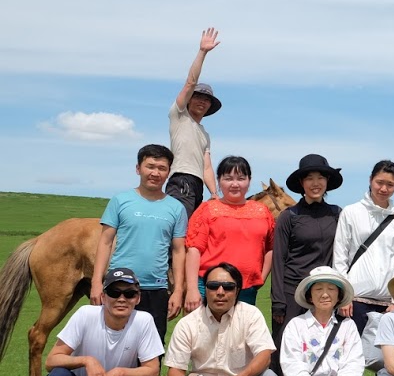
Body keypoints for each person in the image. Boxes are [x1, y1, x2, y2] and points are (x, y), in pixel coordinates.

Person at [156, 262, 278, 376]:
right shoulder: (188, 323)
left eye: (228, 287)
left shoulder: (251, 315)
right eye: (213, 286)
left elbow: (265, 356)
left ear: (237, 291)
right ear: (205, 289)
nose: (220, 292)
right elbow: (175, 370)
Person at [43, 266, 162, 376]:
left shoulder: (143, 320)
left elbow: (152, 371)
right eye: (114, 292)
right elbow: (51, 360)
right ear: (103, 296)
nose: (121, 299)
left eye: (129, 294)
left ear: (137, 298)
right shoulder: (85, 315)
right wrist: (87, 361)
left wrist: (119, 372)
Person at [90, 144, 188, 343]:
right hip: (119, 286)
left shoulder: (176, 208)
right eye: (150, 166)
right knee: (111, 342)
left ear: (169, 172)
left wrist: (178, 290)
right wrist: (96, 282)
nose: (155, 173)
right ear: (138, 168)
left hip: (157, 289)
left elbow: (179, 251)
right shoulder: (120, 200)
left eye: (162, 168)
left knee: (152, 346)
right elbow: (105, 242)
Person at [278, 266, 365, 376]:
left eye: (331, 289)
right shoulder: (296, 325)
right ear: (310, 295)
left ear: (339, 295)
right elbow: (291, 364)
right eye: (318, 289)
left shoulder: (348, 325)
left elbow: (354, 360)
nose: (325, 294)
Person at [271, 154, 343, 348]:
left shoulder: (337, 214)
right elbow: (278, 259)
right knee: (285, 347)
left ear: (327, 181)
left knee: (320, 347)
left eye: (320, 177)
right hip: (291, 292)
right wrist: (278, 301)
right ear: (302, 183)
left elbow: (344, 255)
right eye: (309, 178)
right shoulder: (289, 216)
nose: (315, 183)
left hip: (325, 292)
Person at [184, 156, 275, 309]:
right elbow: (193, 249)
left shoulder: (262, 211)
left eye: (241, 178)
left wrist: (261, 277)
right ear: (219, 181)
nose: (235, 184)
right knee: (204, 332)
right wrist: (192, 289)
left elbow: (270, 248)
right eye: (228, 178)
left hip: (246, 289)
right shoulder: (207, 209)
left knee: (240, 331)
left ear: (249, 181)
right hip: (210, 287)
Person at [333, 160, 394, 335]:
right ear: (370, 180)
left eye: (390, 184)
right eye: (379, 182)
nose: (384, 189)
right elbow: (340, 256)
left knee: (385, 359)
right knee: (349, 358)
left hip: (387, 303)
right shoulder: (351, 212)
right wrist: (344, 297)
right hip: (354, 300)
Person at [166, 27, 221, 217]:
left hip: (198, 186)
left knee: (195, 232)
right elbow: (190, 83)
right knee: (178, 229)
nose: (202, 101)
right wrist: (202, 52)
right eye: (198, 97)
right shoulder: (179, 115)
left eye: (207, 100)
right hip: (181, 179)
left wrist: (214, 193)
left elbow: (206, 166)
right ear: (189, 99)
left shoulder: (204, 133)